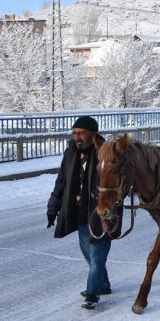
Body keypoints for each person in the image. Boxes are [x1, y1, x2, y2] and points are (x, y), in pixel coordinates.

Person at [47, 116, 112, 310]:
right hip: (79, 212)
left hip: (102, 212)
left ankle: (93, 293)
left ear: (93, 134)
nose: (77, 137)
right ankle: (103, 284)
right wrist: (53, 208)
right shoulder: (70, 154)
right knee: (88, 253)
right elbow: (61, 183)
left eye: (81, 133)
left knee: (97, 254)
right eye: (75, 133)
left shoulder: (105, 153)